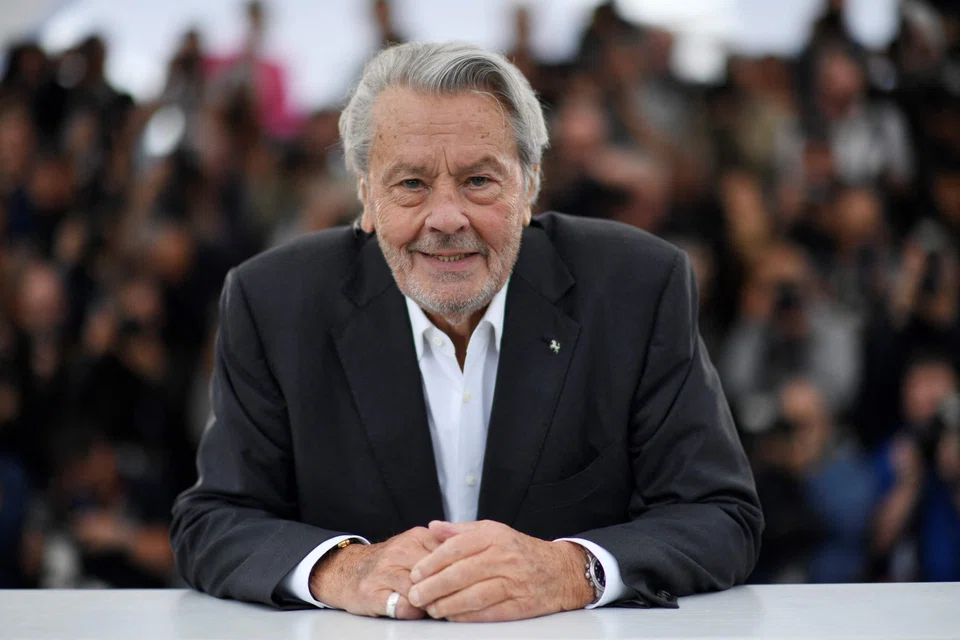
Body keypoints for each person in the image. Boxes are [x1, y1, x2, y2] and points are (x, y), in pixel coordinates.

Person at [171, 42, 762, 622]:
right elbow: (215, 520)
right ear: (365, 195)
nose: (446, 217)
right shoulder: (274, 301)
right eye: (410, 184)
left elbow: (717, 513)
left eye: (479, 180)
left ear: (529, 185)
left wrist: (569, 570)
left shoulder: (636, 287)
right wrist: (345, 570)